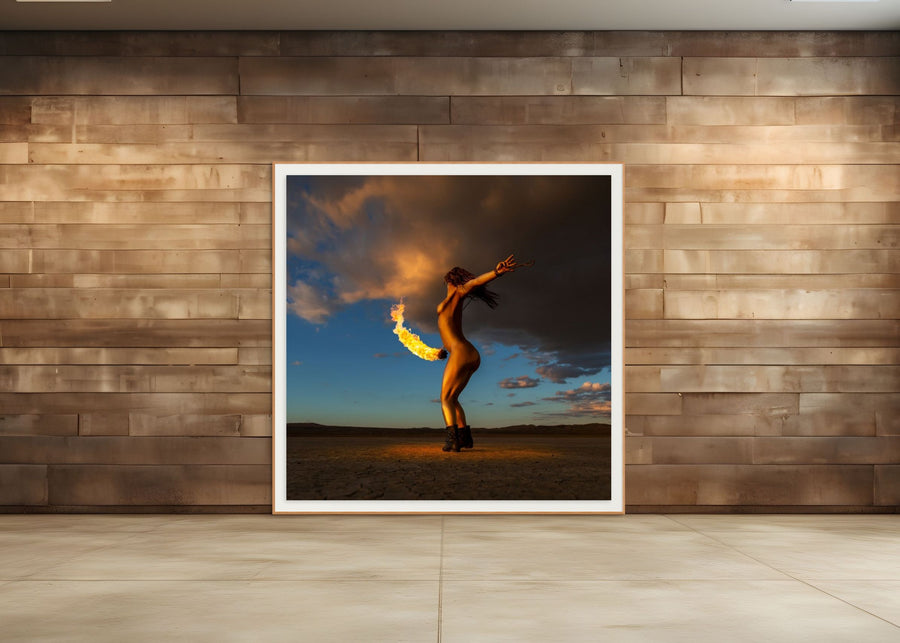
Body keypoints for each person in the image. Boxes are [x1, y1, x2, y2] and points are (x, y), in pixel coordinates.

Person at [437, 254, 529, 452]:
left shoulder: (459, 292)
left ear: (451, 280)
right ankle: (465, 439)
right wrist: (441, 351)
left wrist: (496, 272)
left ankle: (453, 440)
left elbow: (475, 282)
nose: (447, 283)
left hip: (461, 352)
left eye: (448, 280)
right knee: (453, 398)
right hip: (467, 352)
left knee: (444, 398)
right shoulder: (452, 299)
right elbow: (449, 330)